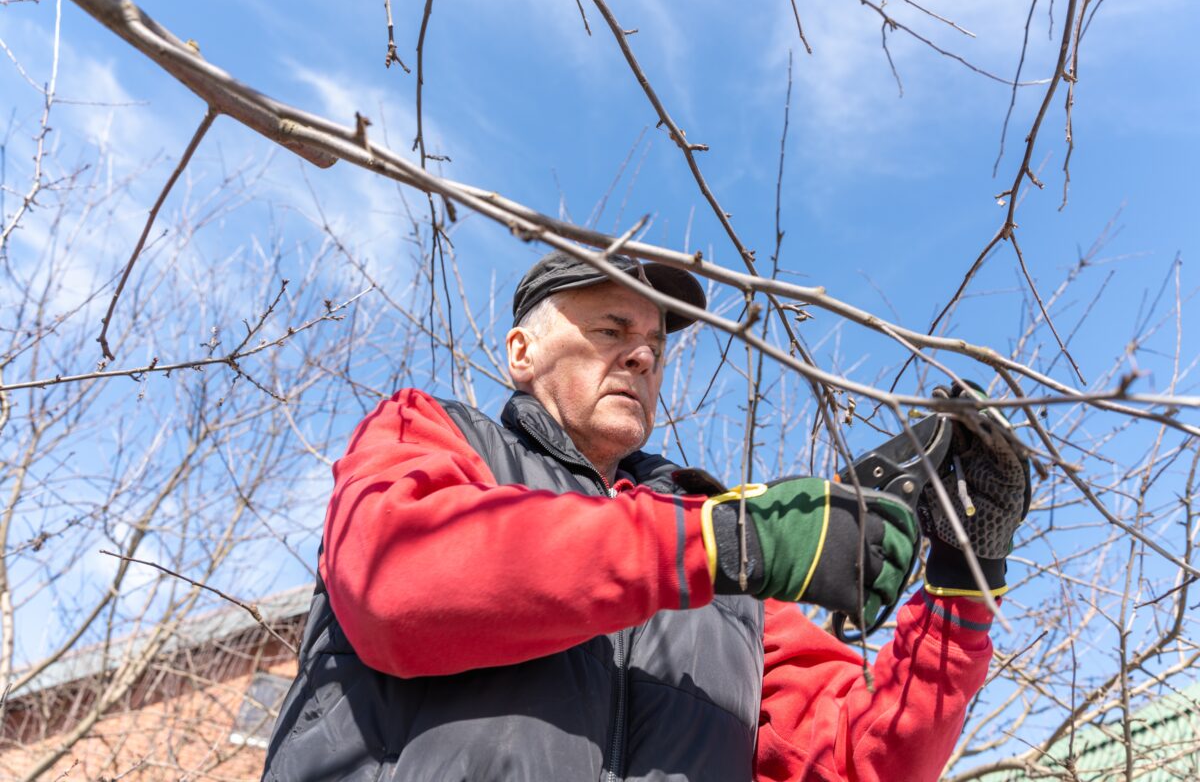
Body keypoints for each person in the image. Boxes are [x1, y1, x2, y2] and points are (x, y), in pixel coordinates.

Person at [261, 251, 1030, 782]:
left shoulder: (731, 582)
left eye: (655, 347)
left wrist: (965, 584)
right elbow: (400, 584)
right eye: (610, 331)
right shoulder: (433, 434)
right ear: (521, 352)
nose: (641, 357)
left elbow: (855, 761)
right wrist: (729, 538)